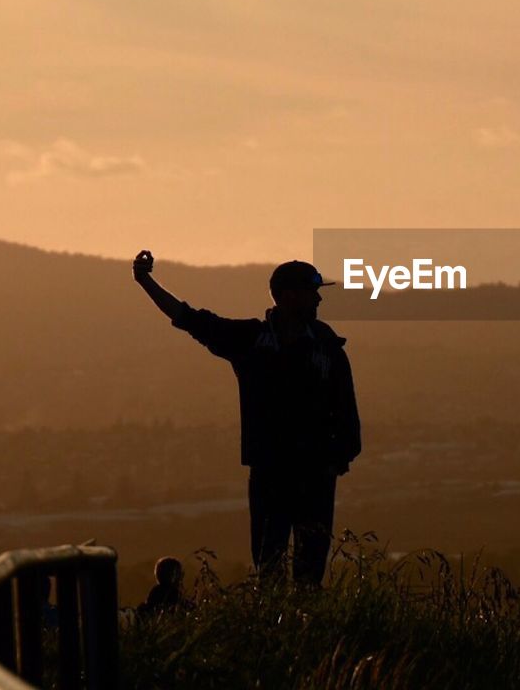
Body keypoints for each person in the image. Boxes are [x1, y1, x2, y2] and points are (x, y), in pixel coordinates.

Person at [132, 250, 362, 585]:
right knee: (269, 565)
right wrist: (146, 282)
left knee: (309, 571)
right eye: (312, 292)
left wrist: (336, 460)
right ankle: (275, 628)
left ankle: (303, 627)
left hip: (314, 474)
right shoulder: (251, 341)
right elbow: (189, 318)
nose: (319, 298)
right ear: (288, 296)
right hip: (271, 472)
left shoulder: (329, 350)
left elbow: (347, 415)